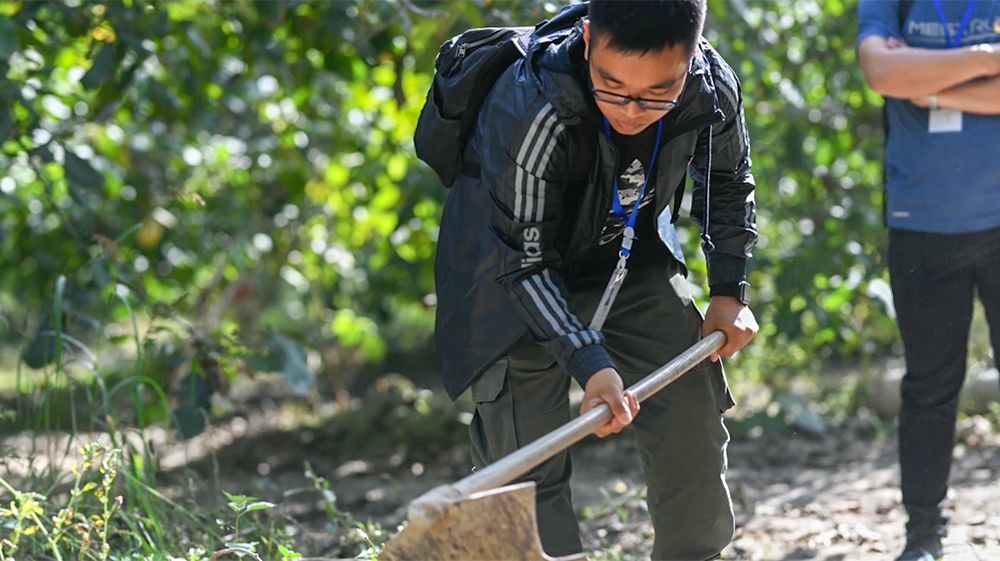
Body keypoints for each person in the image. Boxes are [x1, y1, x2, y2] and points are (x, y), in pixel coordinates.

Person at [429, 1, 758, 559]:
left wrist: (729, 290)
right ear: (587, 39)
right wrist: (589, 361)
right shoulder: (532, 102)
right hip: (507, 277)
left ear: (690, 59)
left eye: (656, 93)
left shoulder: (710, 87)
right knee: (525, 470)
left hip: (626, 260)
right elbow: (524, 259)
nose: (631, 110)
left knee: (690, 411)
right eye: (612, 86)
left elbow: (727, 182)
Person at [857, 1, 1000, 559]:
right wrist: (987, 57)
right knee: (930, 385)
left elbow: (905, 78)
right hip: (922, 221)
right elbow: (882, 73)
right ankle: (924, 534)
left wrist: (931, 86)